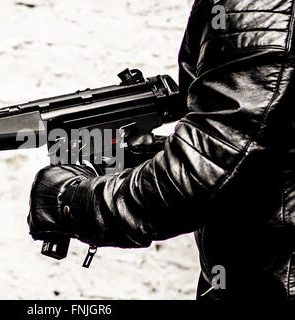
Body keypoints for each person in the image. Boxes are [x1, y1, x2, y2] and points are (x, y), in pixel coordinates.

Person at [27, 0, 295, 300]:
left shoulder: (256, 5)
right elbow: (260, 145)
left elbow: (209, 173)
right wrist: (146, 155)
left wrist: (66, 199)